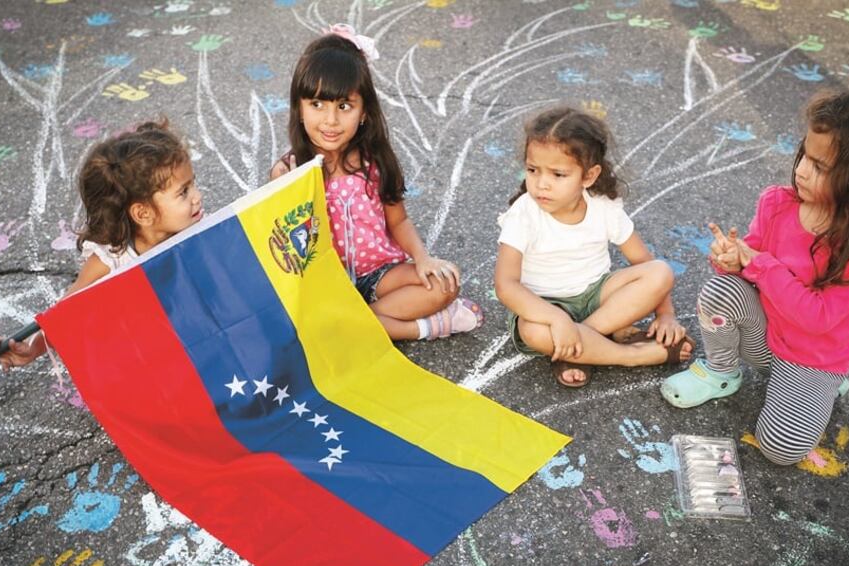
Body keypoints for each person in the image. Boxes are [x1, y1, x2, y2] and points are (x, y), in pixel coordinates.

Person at [661, 91, 849, 465]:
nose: (802, 170)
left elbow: (817, 317)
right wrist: (731, 259)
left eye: (821, 167)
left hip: (812, 357)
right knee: (721, 289)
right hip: (766, 337)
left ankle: (823, 387)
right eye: (805, 154)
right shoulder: (778, 203)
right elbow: (746, 265)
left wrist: (759, 264)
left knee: (781, 449)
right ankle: (721, 372)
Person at [271, 26, 483, 341]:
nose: (330, 120)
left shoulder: (375, 163)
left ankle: (355, 324)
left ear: (364, 112)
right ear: (299, 109)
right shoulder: (289, 171)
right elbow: (285, 246)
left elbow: (399, 221)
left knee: (445, 283)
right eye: (317, 104)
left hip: (381, 276)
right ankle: (427, 326)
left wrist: (423, 259)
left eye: (344, 106)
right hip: (326, 286)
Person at [0, 120, 204, 370]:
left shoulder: (200, 231)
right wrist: (31, 349)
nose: (197, 196)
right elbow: (65, 316)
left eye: (192, 184)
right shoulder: (113, 261)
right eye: (183, 192)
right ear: (143, 213)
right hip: (157, 361)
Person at [494, 107, 694, 388]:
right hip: (544, 305)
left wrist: (666, 315)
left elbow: (642, 261)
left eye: (558, 174)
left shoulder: (603, 207)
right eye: (532, 170)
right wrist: (556, 319)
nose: (541, 184)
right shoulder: (523, 214)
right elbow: (507, 286)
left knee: (660, 271)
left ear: (588, 176)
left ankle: (578, 345)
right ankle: (629, 355)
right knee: (532, 331)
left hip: (597, 296)